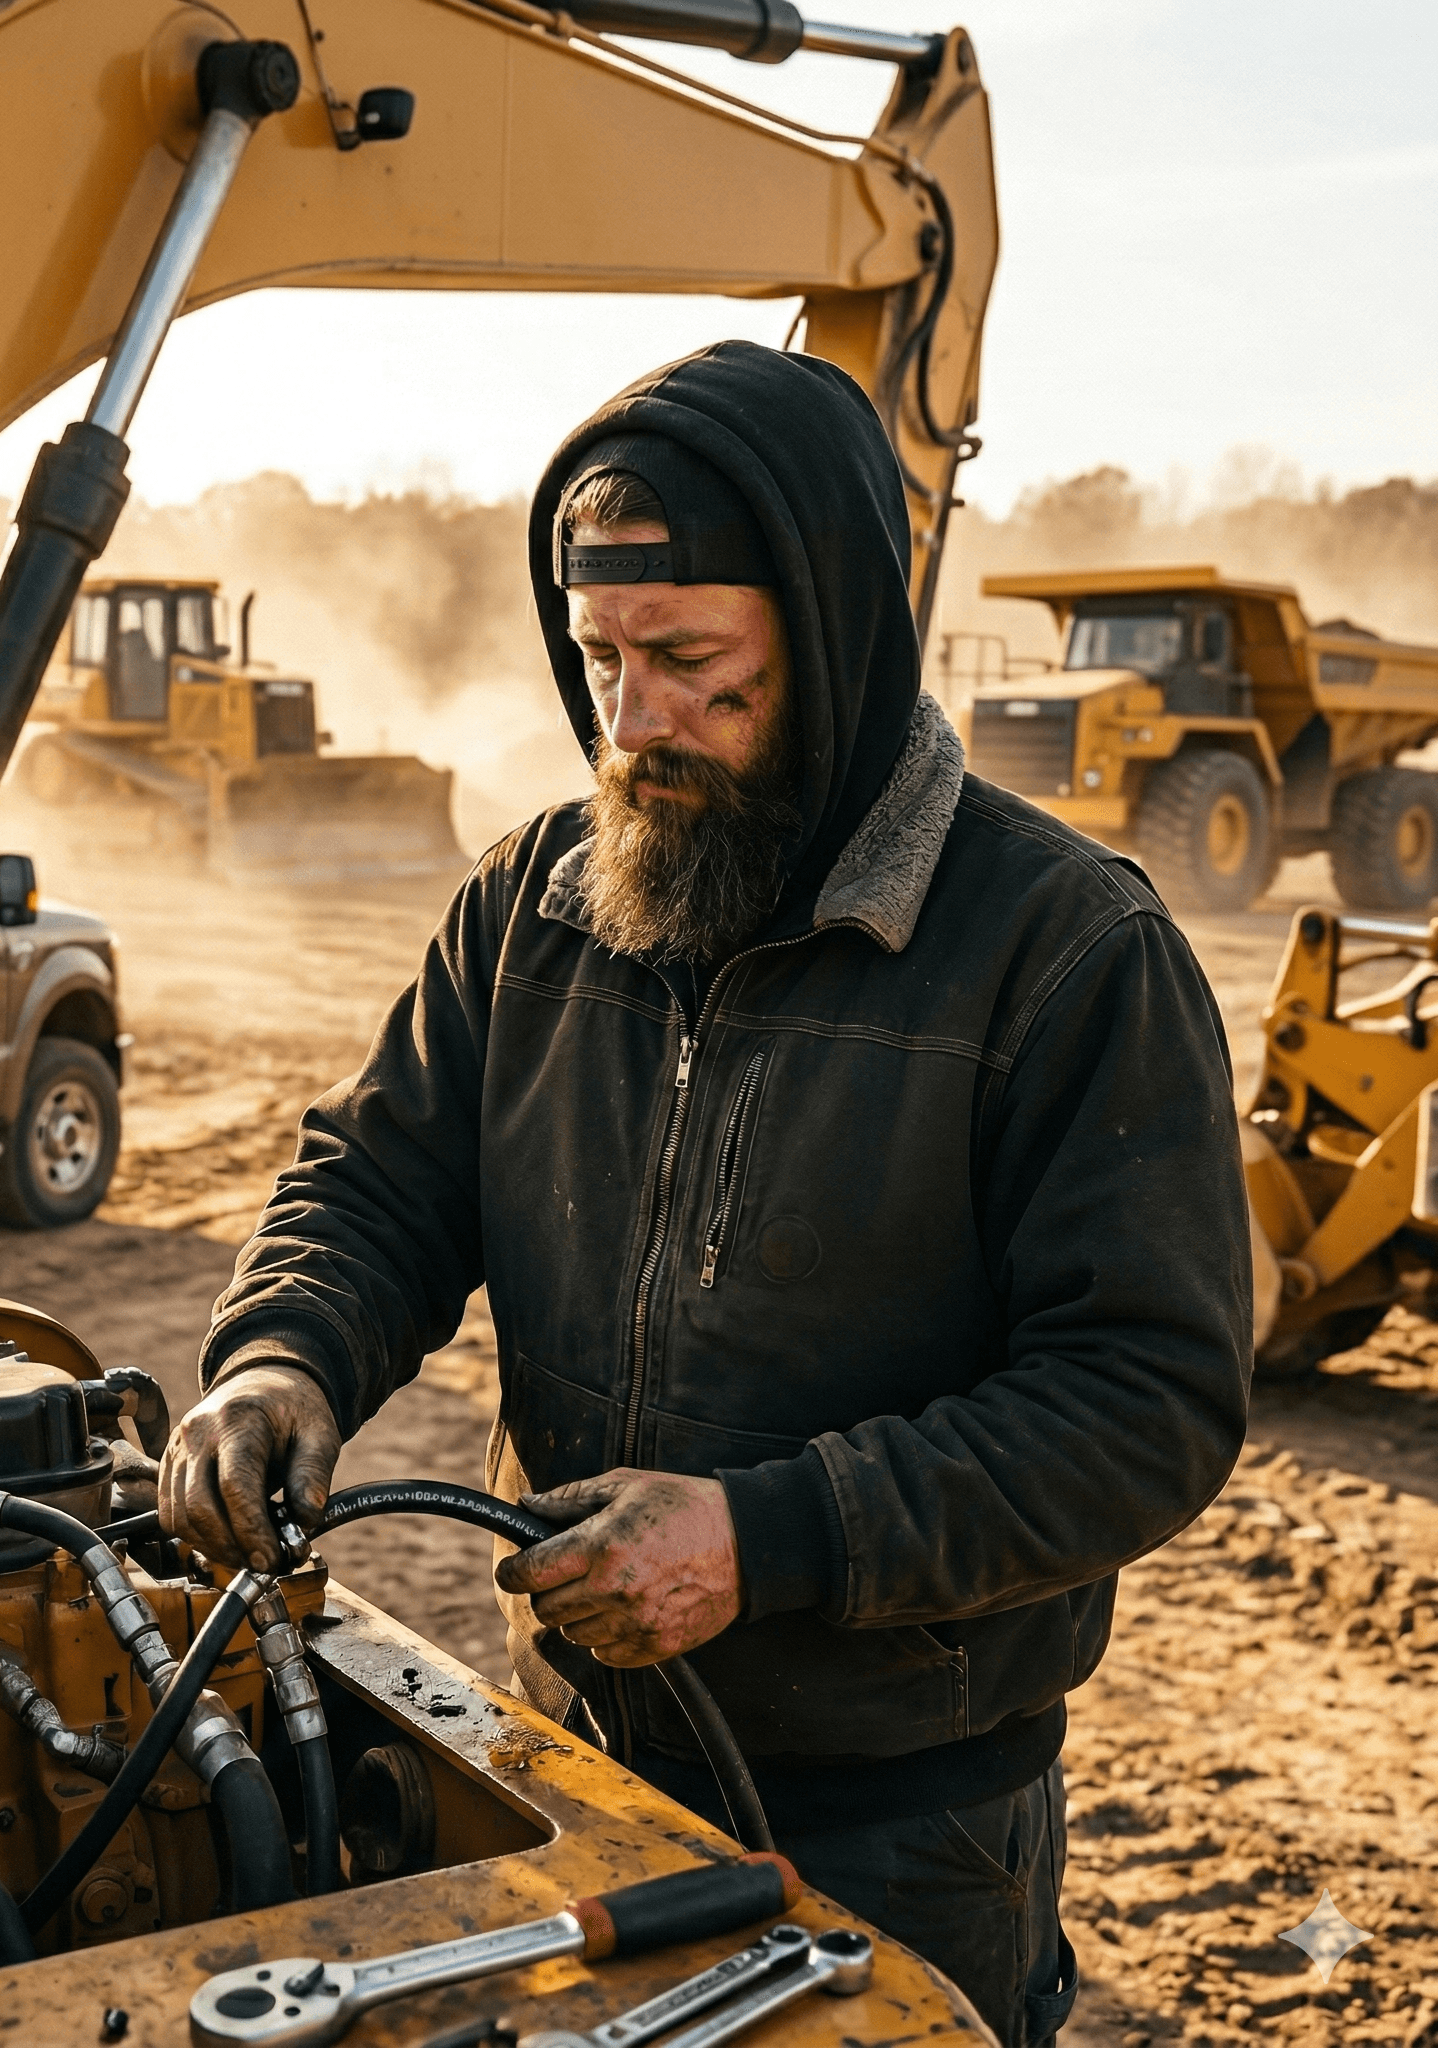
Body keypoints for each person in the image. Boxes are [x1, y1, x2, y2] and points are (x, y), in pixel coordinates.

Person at [157, 341, 1251, 2046]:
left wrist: (768, 1538)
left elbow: (1147, 1401)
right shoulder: (535, 903)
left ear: (834, 648)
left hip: (905, 1817)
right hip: (570, 1755)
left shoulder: (1065, 952)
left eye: (692, 664)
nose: (635, 723)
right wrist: (281, 1353)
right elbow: (379, 1175)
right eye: (600, 661)